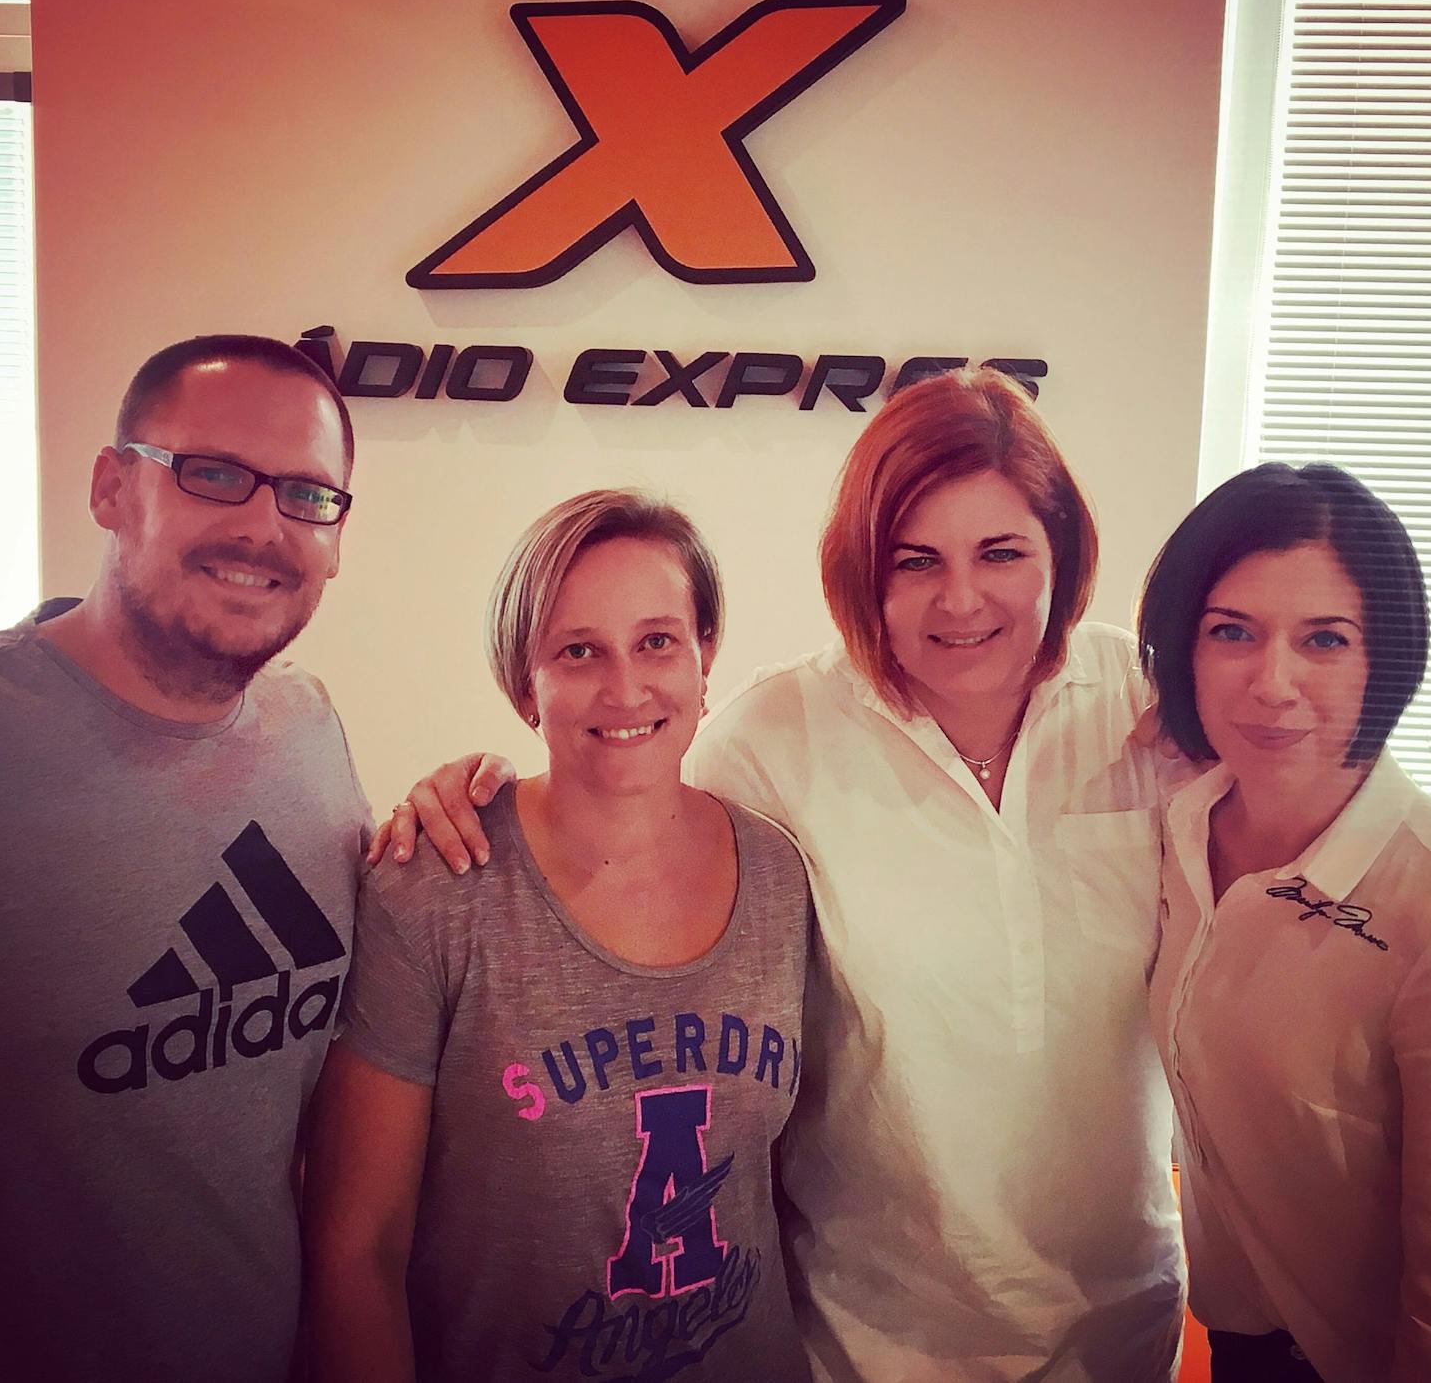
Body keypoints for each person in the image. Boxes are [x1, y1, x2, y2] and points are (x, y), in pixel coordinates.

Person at [377, 371, 1185, 1381]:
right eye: (916, 560)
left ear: (1062, 552)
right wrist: (470, 792)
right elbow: (628, 774)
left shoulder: (1148, 710)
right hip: (870, 1342)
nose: (961, 598)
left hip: (1124, 1332)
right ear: (861, 573)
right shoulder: (773, 739)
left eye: (1002, 552)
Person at [303, 490, 811, 1383]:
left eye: (657, 641)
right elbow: (357, 1251)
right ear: (522, 683)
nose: (625, 689)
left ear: (706, 657)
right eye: (578, 651)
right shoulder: (435, 890)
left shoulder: (779, 873)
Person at [0, 334, 370, 1383]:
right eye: (212, 474)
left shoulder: (309, 727)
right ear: (112, 489)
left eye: (307, 495)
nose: (263, 525)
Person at [1138, 462, 1431, 1383]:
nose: (1273, 683)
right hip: (1229, 1332)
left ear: (1386, 658)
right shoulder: (1178, 824)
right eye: (1231, 632)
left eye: (1325, 639)